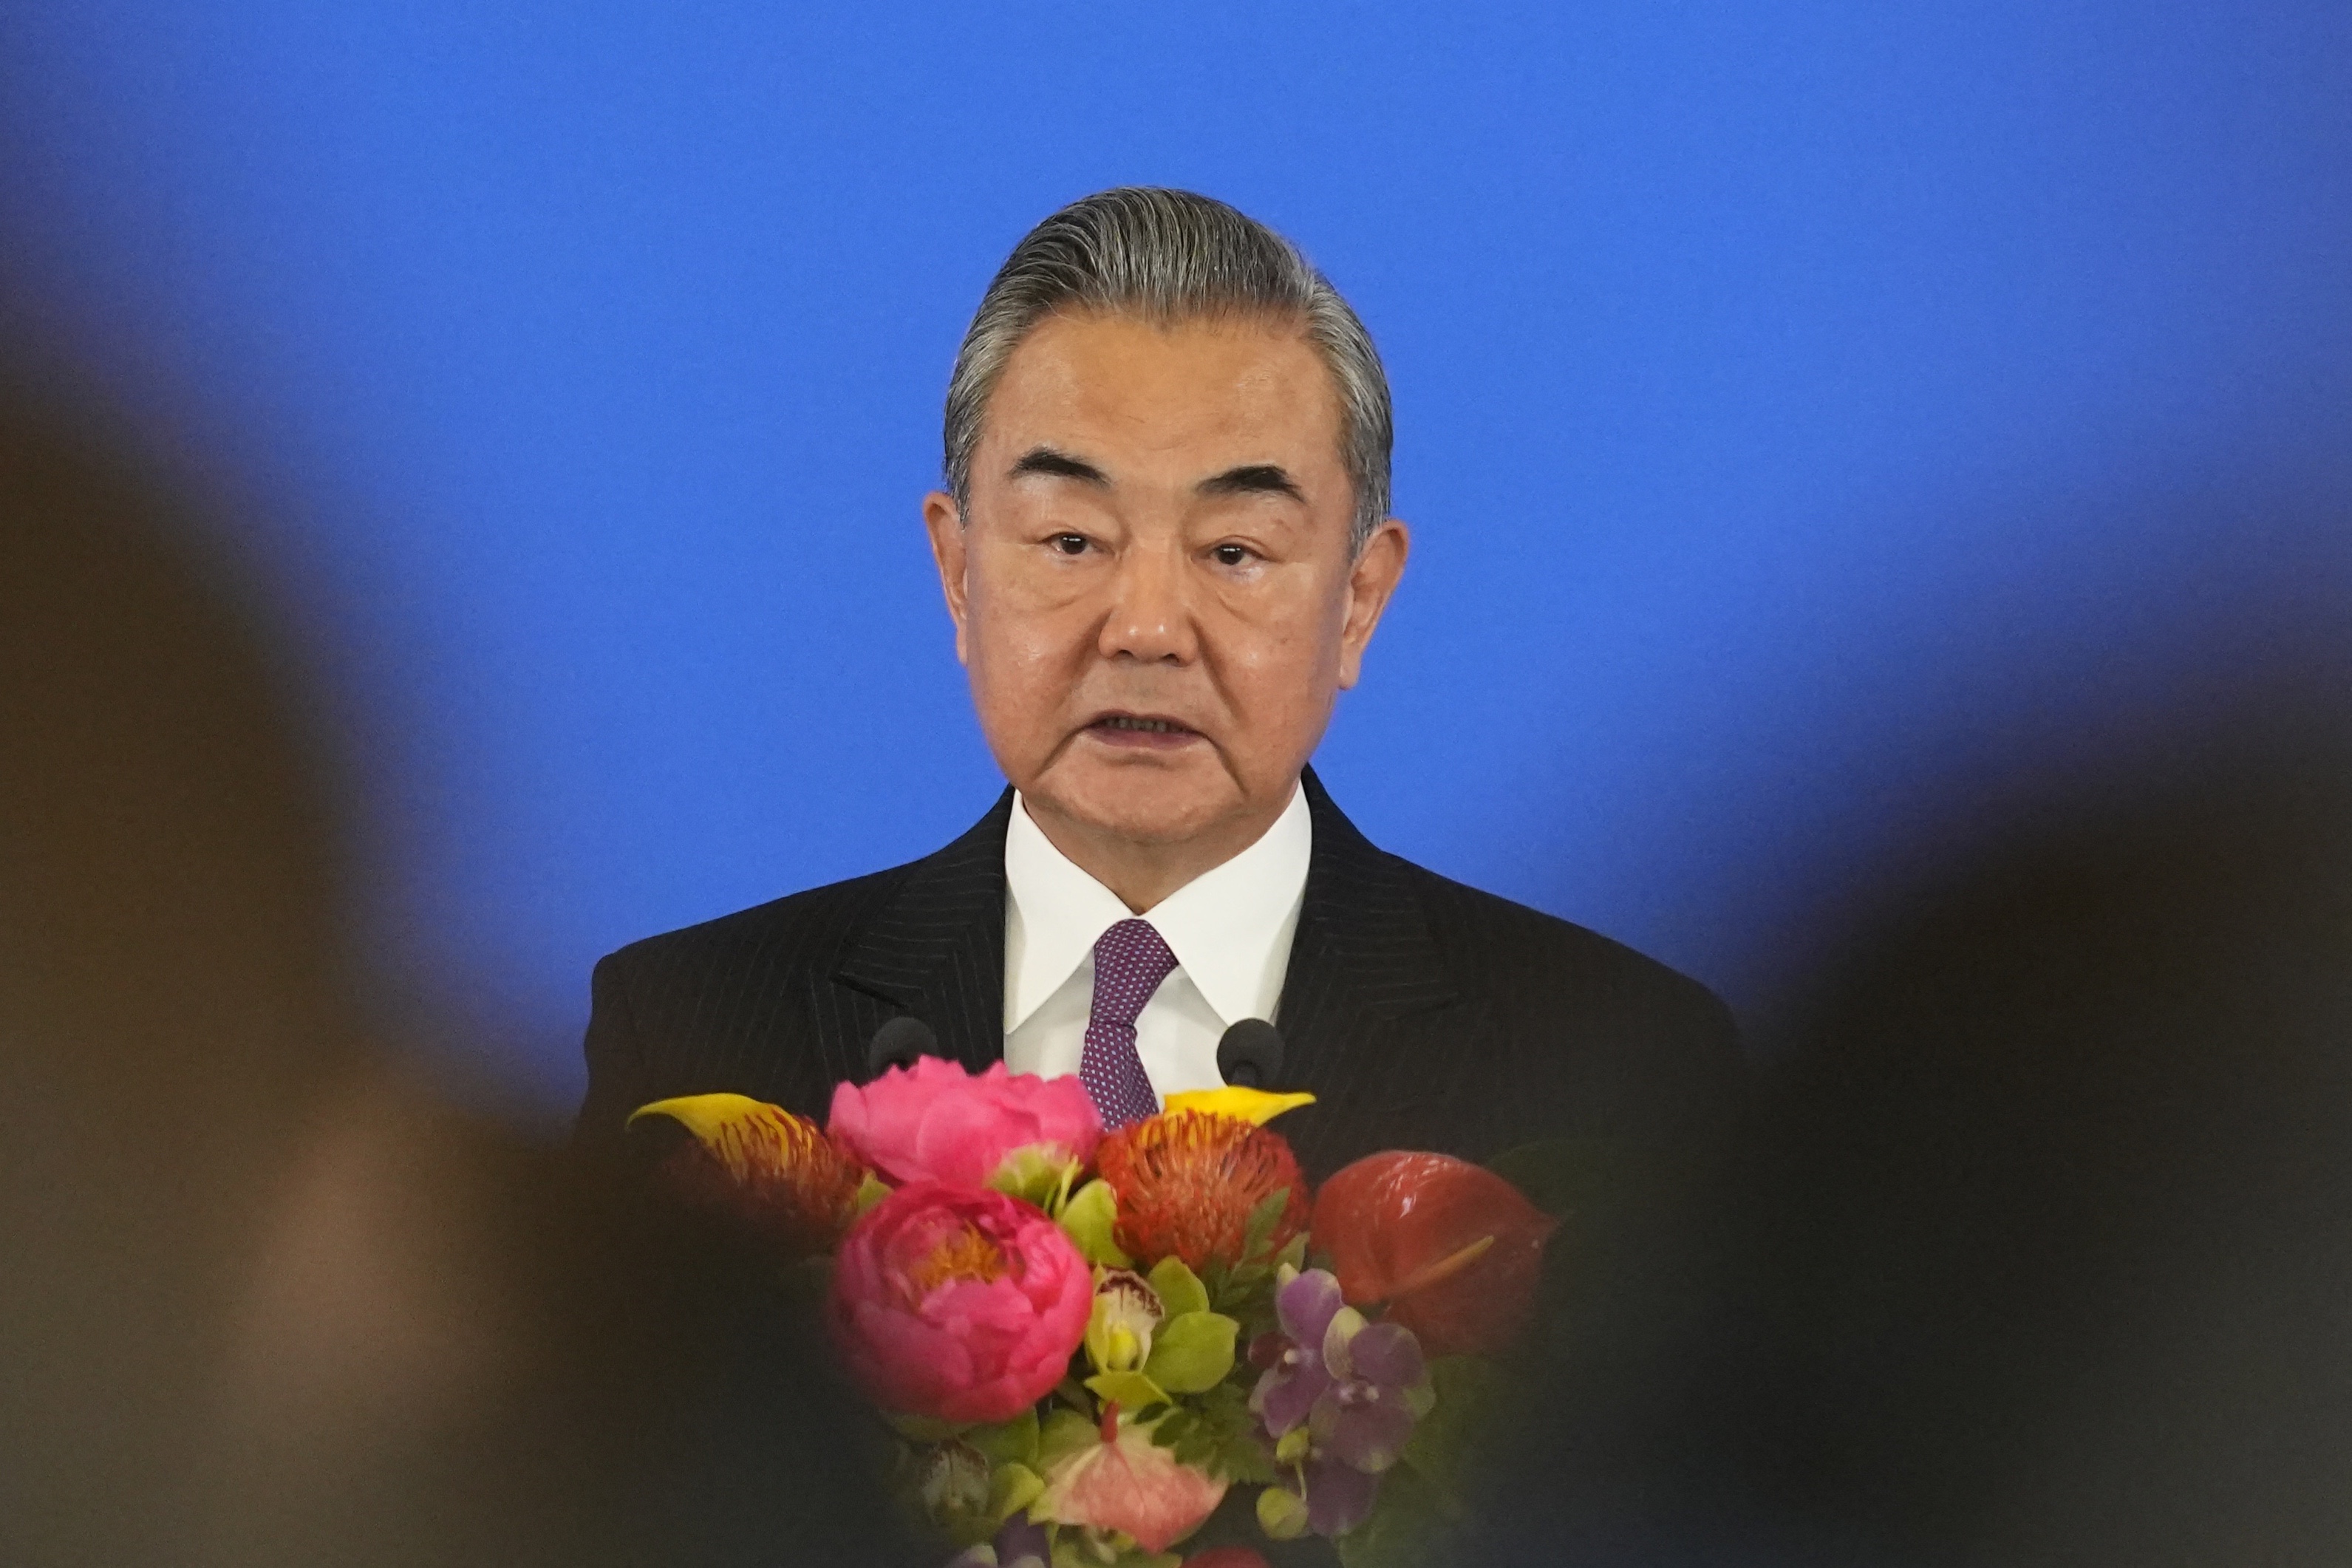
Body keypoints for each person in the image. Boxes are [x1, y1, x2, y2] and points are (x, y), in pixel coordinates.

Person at [576, 187, 1738, 1179]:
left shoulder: (1612, 1065)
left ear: (1358, 599)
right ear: (958, 570)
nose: (1144, 628)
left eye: (1234, 551)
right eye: (1071, 540)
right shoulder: (695, 1039)